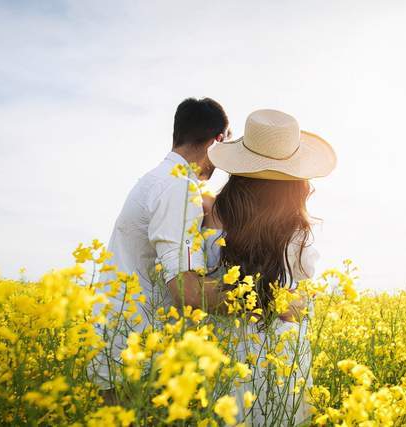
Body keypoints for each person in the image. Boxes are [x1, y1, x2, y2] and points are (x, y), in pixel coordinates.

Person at [202, 109, 337, 425]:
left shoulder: (210, 213)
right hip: (283, 356)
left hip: (229, 352)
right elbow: (296, 306)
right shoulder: (297, 229)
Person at [93, 97, 232, 388]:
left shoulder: (162, 180)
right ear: (216, 141)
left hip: (123, 339)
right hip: (134, 352)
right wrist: (262, 301)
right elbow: (187, 291)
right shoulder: (177, 189)